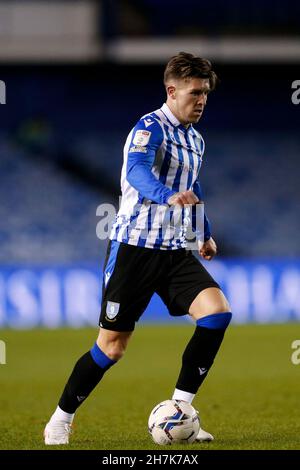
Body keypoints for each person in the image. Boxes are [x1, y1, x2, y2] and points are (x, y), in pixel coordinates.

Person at [44, 52, 232, 445]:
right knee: (111, 348)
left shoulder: (195, 140)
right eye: (195, 93)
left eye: (206, 95)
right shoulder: (149, 127)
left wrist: (203, 233)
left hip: (174, 249)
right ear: (172, 90)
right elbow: (136, 173)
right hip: (134, 249)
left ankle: (181, 411)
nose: (201, 101)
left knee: (216, 314)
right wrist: (166, 197)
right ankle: (60, 418)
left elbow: (192, 189)